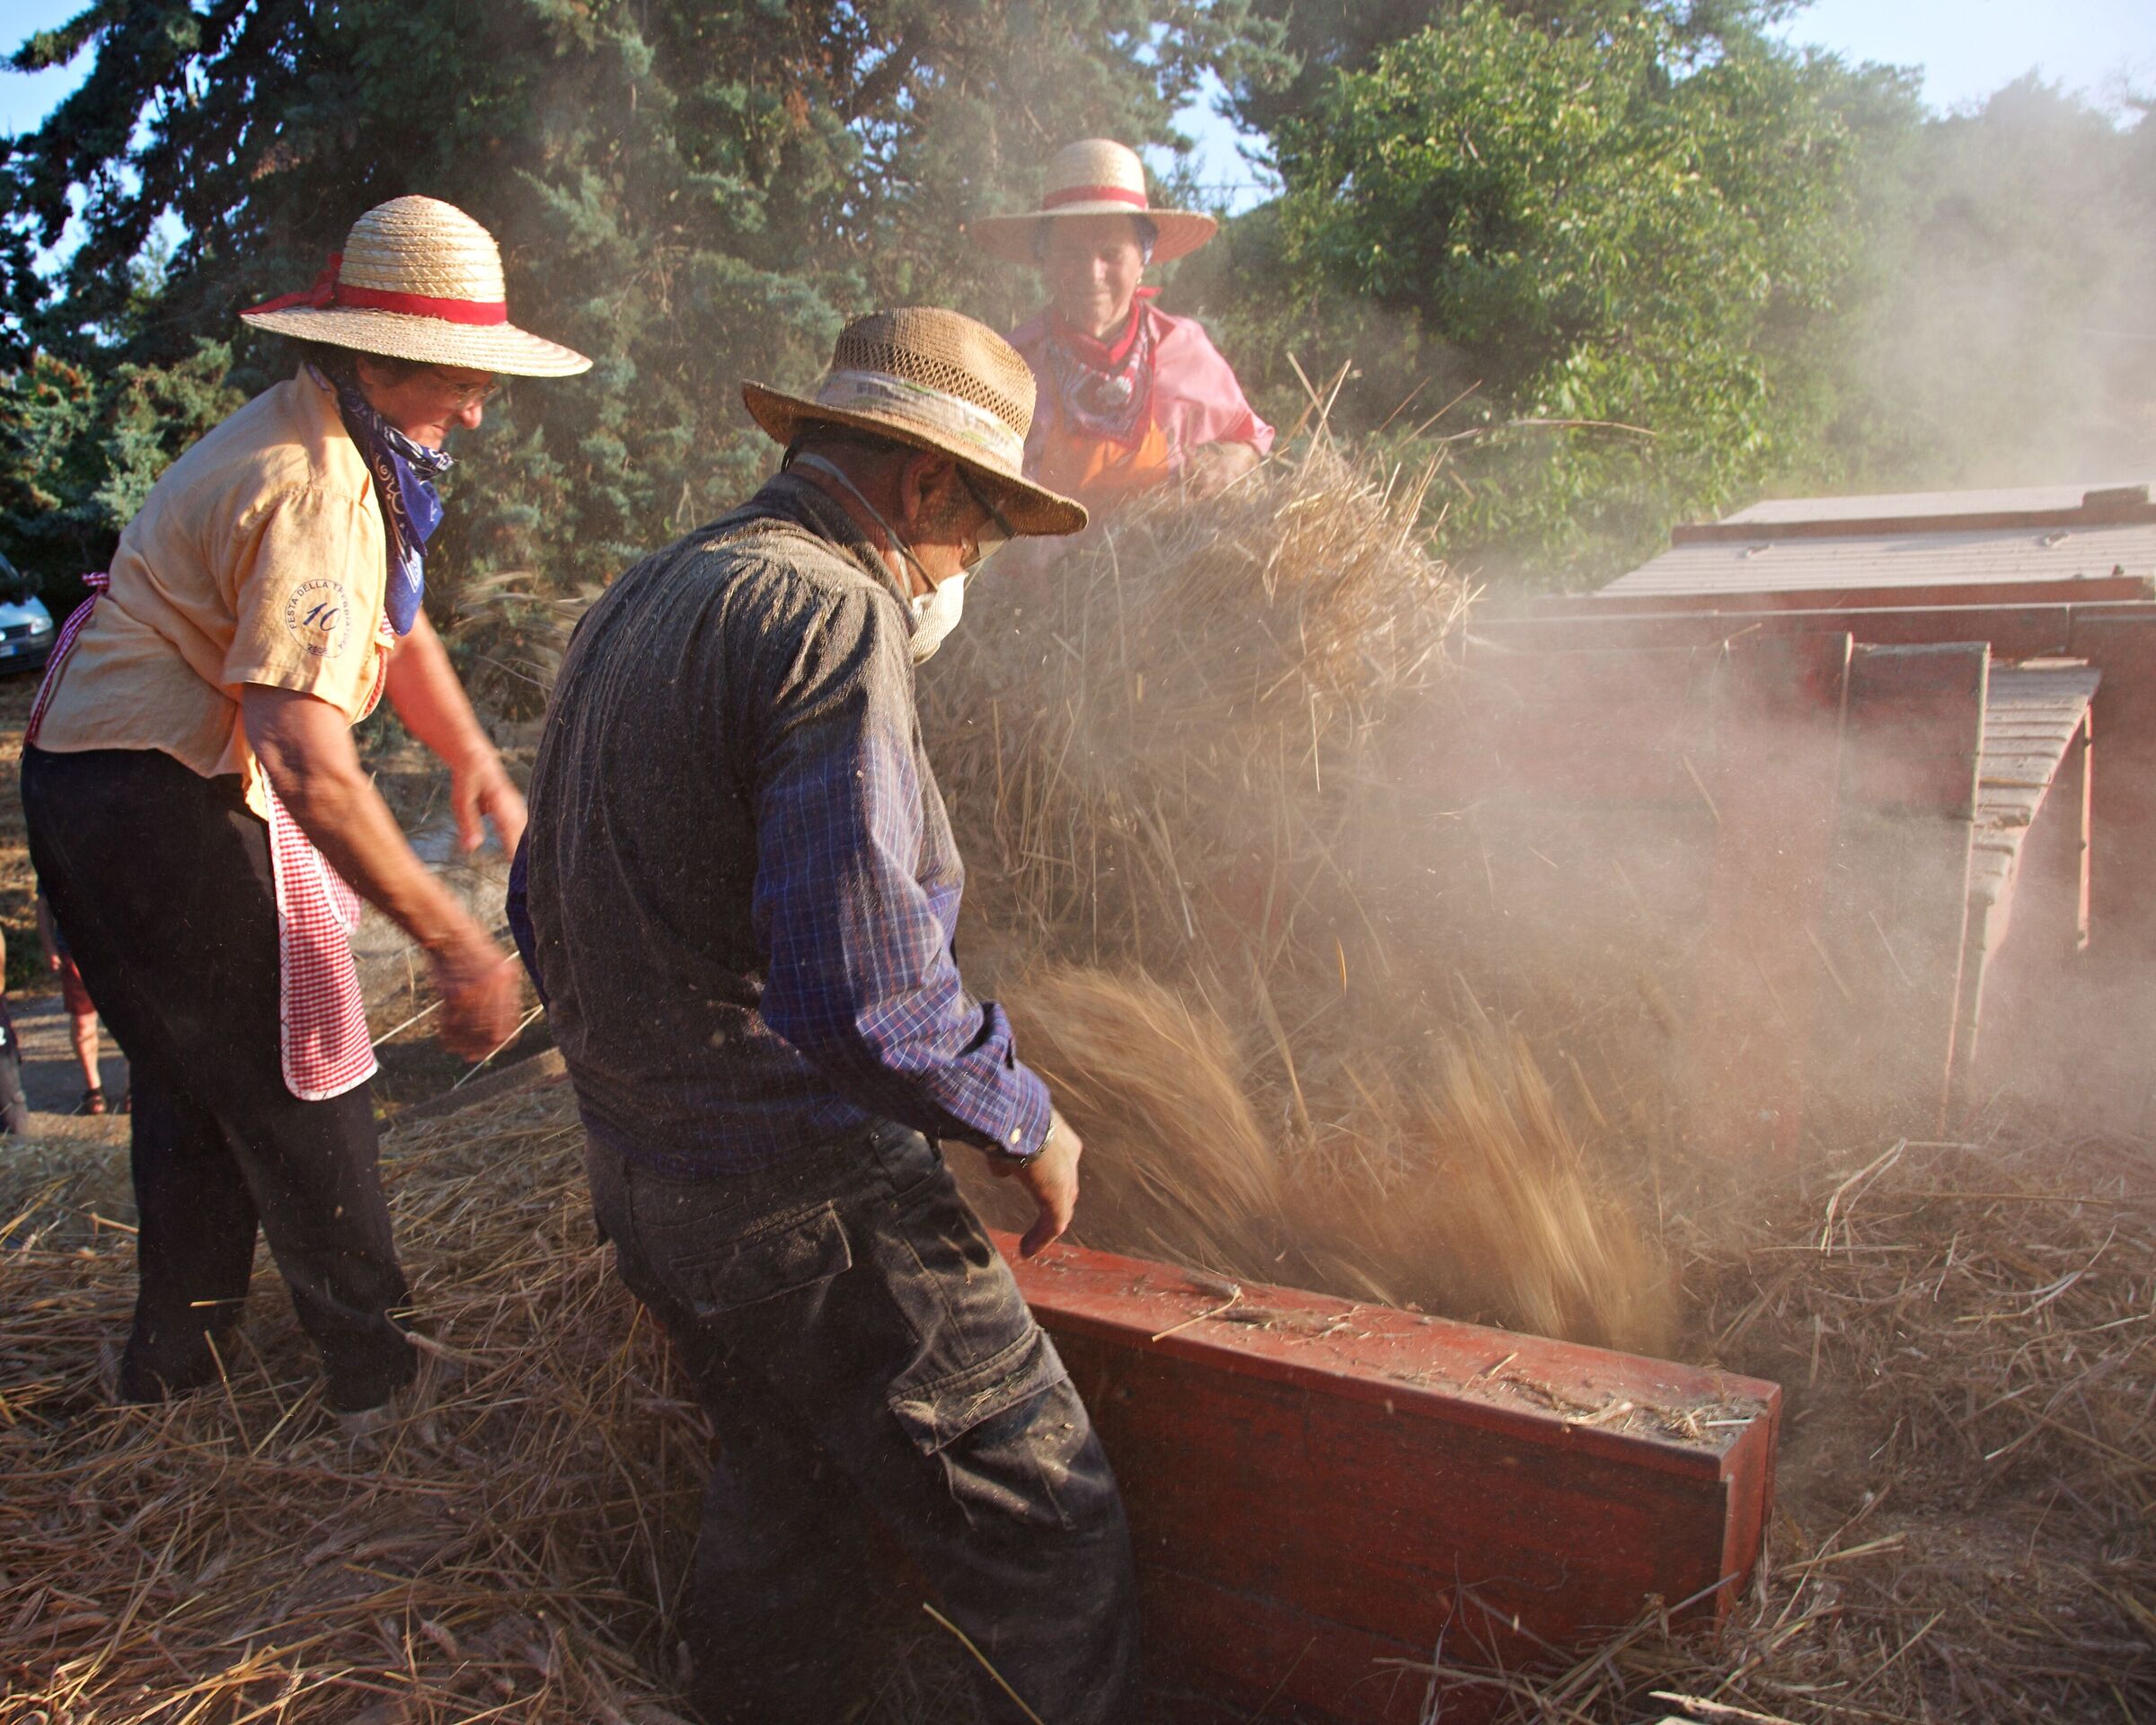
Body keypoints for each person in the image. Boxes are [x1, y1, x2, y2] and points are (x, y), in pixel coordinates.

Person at [512, 307, 1138, 1724]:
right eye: (979, 527)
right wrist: (1021, 1119)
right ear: (923, 485)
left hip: (649, 1181)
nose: (970, 566)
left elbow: (537, 897)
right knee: (1050, 1529)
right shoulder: (834, 613)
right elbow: (862, 993)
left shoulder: (650, 591)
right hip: (802, 1195)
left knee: (781, 1497)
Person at [20, 195, 589, 1421]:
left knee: (191, 1078)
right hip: (152, 789)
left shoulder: (336, 442)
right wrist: (456, 945)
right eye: (458, 378)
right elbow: (307, 755)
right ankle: (381, 1383)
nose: (479, 408)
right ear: (378, 361)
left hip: (90, 770)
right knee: (303, 1069)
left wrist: (473, 757)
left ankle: (178, 1375)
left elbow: (399, 617)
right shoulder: (322, 485)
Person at [973, 137, 1274, 512]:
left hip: (1162, 565)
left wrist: (1229, 463)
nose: (1092, 272)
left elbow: (1248, 440)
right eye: (1071, 253)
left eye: (1111, 254)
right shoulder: (1007, 366)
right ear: (1045, 260)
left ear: (1142, 260)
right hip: (1040, 571)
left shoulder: (1182, 347)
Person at [38, 891, 109, 1113]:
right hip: (74, 949)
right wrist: (50, 948)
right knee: (83, 1024)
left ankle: (132, 1089)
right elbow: (44, 903)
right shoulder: (60, 854)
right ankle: (94, 1089)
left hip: (122, 949)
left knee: (136, 1022)